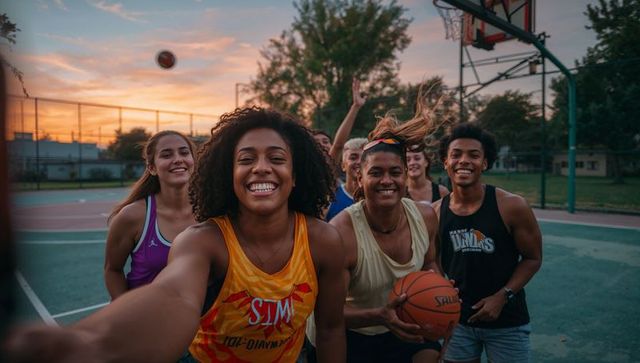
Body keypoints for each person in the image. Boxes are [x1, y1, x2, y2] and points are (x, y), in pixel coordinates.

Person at [4, 107, 347, 363]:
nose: (260, 167)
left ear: (296, 174)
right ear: (229, 174)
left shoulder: (323, 241)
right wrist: (90, 343)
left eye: (276, 158)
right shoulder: (203, 240)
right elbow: (174, 295)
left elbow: (330, 329)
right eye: (246, 159)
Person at [324, 109, 444, 363]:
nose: (386, 180)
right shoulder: (341, 233)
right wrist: (379, 315)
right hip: (351, 333)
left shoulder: (425, 216)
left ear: (405, 175)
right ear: (360, 178)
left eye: (395, 172)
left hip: (403, 325)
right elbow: (327, 314)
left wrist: (440, 292)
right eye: (376, 173)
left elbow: (430, 263)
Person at [432, 123, 542, 363]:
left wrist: (502, 296)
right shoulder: (436, 212)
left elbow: (533, 259)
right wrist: (441, 286)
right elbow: (433, 260)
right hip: (457, 321)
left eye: (474, 155)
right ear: (445, 161)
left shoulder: (512, 206)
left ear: (485, 163)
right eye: (456, 154)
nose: (464, 161)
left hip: (507, 321)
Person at [104, 130, 196, 300]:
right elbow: (112, 270)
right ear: (152, 168)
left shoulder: (209, 211)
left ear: (192, 161)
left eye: (184, 152)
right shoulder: (133, 216)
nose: (178, 159)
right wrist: (127, 311)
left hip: (200, 322)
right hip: (148, 320)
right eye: (166, 155)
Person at [324, 137, 366, 221]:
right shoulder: (330, 197)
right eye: (353, 158)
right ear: (343, 166)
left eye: (364, 158)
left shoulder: (378, 197)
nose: (359, 162)